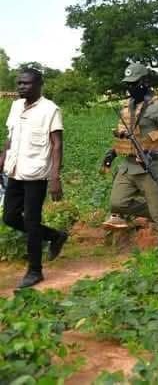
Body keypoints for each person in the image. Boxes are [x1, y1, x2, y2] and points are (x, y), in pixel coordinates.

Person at [102, 63, 158, 256]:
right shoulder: (128, 107)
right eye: (128, 84)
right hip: (128, 165)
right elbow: (124, 134)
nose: (130, 88)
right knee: (117, 203)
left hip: (151, 165)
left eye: (134, 83)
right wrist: (112, 151)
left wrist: (153, 153)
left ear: (145, 82)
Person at [0, 68, 67, 288]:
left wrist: (55, 177)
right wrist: (2, 156)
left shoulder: (50, 110)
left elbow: (57, 144)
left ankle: (35, 270)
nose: (21, 87)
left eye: (26, 84)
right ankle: (55, 236)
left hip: (36, 174)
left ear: (39, 85)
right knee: (9, 217)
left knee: (31, 220)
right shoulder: (16, 106)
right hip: (15, 169)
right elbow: (11, 136)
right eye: (19, 83)